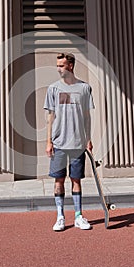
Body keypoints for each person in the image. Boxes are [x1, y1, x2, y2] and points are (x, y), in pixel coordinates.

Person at [44, 52, 95, 231]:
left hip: (78, 143)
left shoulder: (84, 88)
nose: (58, 69)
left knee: (76, 179)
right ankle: (60, 217)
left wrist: (88, 139)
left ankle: (79, 216)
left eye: (61, 65)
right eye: (57, 65)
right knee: (58, 180)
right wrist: (48, 141)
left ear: (70, 66)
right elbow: (50, 116)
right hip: (58, 143)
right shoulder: (53, 89)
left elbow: (87, 117)